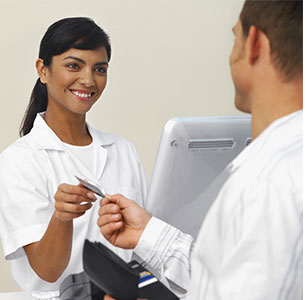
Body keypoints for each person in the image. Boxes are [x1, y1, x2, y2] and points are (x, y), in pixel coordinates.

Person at [98, 0, 303, 299]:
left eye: (236, 39)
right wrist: (149, 234)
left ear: (255, 44)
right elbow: (228, 282)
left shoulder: (268, 185)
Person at [0, 17, 148, 292]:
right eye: (73, 66)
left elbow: (146, 247)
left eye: (100, 69)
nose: (88, 80)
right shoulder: (19, 161)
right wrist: (62, 218)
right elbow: (47, 271)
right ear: (43, 71)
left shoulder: (123, 150)